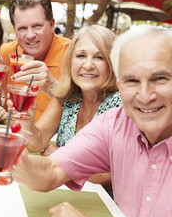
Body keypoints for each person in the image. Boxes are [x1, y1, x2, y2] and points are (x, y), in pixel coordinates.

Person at [0, 25, 172, 217]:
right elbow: (52, 169)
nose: (144, 96)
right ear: (120, 83)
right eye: (132, 80)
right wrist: (12, 159)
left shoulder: (115, 110)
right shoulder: (114, 122)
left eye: (160, 78)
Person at [7, 24, 120, 192]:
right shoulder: (67, 97)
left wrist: (62, 157)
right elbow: (36, 144)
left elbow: (116, 174)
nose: (88, 65)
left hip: (108, 201)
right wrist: (27, 120)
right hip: (67, 191)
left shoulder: (120, 106)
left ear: (112, 63)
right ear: (70, 61)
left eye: (99, 57)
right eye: (81, 56)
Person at [0, 0, 71, 121]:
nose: (30, 35)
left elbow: (88, 108)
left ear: (52, 24)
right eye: (22, 28)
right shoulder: (5, 54)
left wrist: (52, 86)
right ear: (15, 30)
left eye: (37, 26)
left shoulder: (73, 55)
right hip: (14, 134)